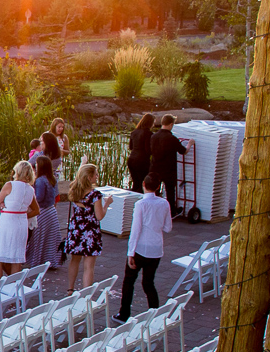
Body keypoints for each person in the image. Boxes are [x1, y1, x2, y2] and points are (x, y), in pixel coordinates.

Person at [119, 173, 172, 322]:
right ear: (157, 187)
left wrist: (130, 252)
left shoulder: (141, 204)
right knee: (149, 282)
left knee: (129, 281)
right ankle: (154, 312)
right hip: (156, 248)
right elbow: (168, 227)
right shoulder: (164, 203)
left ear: (143, 184)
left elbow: (136, 229)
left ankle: (124, 314)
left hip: (140, 248)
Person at [63, 163, 110, 292]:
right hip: (90, 231)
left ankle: (70, 289)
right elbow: (99, 216)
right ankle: (85, 294)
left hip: (76, 230)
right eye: (95, 174)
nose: (97, 176)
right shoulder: (95, 195)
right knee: (89, 266)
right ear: (89, 177)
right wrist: (107, 205)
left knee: (74, 260)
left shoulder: (74, 190)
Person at [0, 160, 39, 278]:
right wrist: (21, 215)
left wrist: (0, 204)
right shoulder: (30, 189)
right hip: (21, 224)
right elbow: (36, 210)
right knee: (16, 259)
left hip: (7, 222)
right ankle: (14, 289)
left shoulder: (9, 185)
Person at [26, 155, 62, 271]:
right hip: (51, 211)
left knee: (38, 238)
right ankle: (50, 260)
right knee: (50, 238)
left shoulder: (40, 180)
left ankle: (37, 260)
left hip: (43, 211)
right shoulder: (52, 179)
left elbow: (39, 198)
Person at [149, 114, 187, 216]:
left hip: (155, 167)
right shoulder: (172, 138)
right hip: (168, 168)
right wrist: (190, 144)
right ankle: (171, 212)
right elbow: (183, 151)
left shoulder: (153, 136)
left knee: (154, 190)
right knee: (170, 191)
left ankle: (155, 211)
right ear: (171, 124)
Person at [126, 113, 156, 193]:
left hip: (131, 160)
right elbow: (147, 150)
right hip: (141, 161)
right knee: (143, 184)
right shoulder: (148, 134)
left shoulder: (134, 132)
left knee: (136, 184)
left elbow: (131, 147)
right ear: (150, 123)